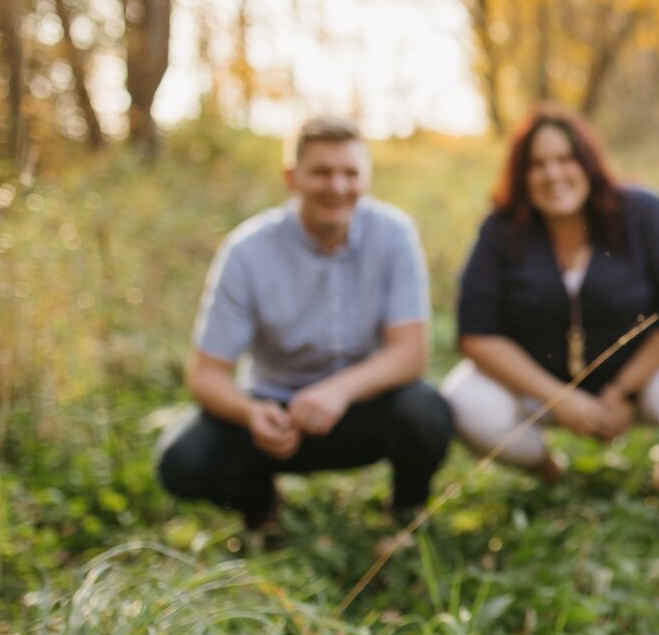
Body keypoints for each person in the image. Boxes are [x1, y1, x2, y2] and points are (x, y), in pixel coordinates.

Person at [156, 117, 453, 531]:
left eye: (351, 173)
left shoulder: (394, 235)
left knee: (427, 413)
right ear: (292, 177)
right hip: (274, 416)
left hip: (362, 408)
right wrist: (251, 413)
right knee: (181, 461)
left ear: (367, 179)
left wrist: (338, 392)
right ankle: (260, 506)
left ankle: (406, 514)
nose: (338, 187)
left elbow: (411, 353)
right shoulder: (246, 252)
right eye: (322, 172)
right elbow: (207, 375)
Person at [443, 105, 659, 480]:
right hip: (543, 387)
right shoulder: (501, 232)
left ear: (587, 163)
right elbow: (477, 333)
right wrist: (561, 399)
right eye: (537, 164)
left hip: (644, 380)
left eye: (565, 159)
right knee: (467, 403)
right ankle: (545, 467)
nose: (553, 174)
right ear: (522, 176)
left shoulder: (643, 212)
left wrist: (623, 391)